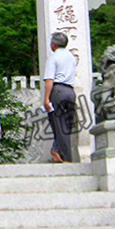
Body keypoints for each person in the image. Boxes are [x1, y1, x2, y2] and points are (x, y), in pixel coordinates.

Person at [43, 31, 77, 163]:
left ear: (53, 44)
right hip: (70, 92)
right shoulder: (72, 57)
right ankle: (57, 150)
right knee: (66, 125)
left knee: (58, 123)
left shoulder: (54, 58)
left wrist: (46, 98)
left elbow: (49, 80)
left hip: (58, 91)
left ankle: (62, 155)